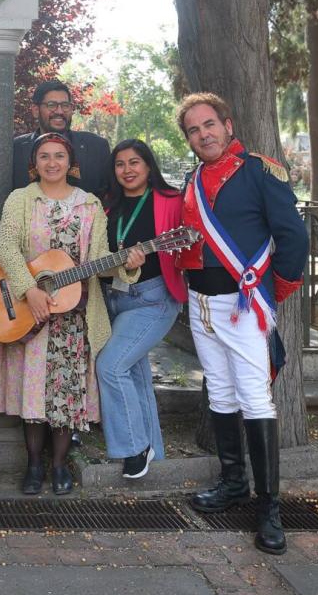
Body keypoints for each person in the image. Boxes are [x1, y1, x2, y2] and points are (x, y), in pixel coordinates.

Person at [176, 93, 308, 556]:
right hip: (200, 302)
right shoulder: (192, 180)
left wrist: (275, 292)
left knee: (254, 396)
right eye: (193, 130)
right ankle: (233, 482)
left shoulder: (259, 171)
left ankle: (269, 508)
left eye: (209, 124)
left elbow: (293, 236)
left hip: (242, 302)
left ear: (228, 125)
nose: (203, 134)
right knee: (220, 391)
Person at [0, 133, 143, 495]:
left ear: (70, 162)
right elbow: (5, 247)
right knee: (33, 395)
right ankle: (33, 465)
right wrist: (30, 290)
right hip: (30, 313)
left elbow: (98, 260)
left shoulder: (90, 205)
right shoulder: (21, 199)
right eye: (44, 156)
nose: (52, 162)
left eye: (59, 156)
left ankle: (59, 465)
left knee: (67, 393)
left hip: (74, 316)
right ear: (34, 163)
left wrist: (127, 264)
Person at [98, 139, 186, 480]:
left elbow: (191, 244)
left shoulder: (171, 201)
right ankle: (154, 453)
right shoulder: (108, 205)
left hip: (154, 298)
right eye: (120, 164)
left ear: (149, 165)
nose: (127, 170)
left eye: (134, 162)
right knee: (134, 374)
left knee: (111, 366)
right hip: (114, 298)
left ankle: (133, 449)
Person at [11, 80, 111, 196]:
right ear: (36, 110)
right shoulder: (14, 150)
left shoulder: (96, 147)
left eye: (65, 105)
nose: (60, 111)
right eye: (51, 105)